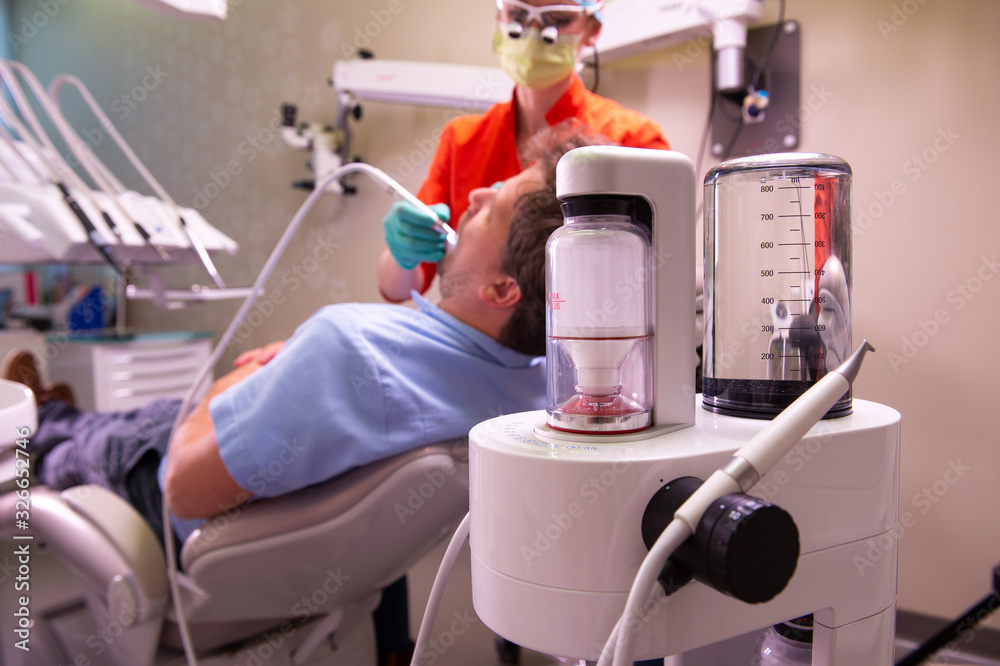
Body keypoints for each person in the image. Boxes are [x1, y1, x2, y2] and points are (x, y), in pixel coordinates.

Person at [2, 130, 585, 666]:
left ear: (503, 288)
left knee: (53, 438)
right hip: (276, 496)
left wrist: (254, 374)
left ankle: (47, 415)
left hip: (149, 475)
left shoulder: (345, 348)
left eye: (495, 204)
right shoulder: (536, 385)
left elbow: (182, 487)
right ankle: (55, 403)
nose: (476, 194)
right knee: (95, 414)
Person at [377, 0, 671, 304]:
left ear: (592, 28)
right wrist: (404, 254)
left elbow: (660, 277)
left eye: (557, 18)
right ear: (499, 16)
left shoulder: (634, 141)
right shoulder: (462, 140)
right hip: (473, 343)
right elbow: (397, 288)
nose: (533, 33)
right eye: (518, 15)